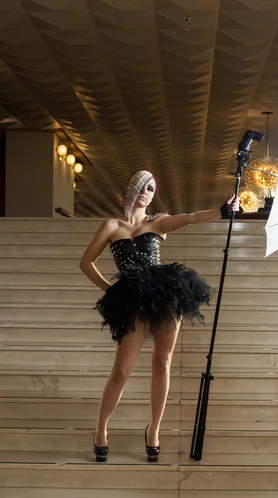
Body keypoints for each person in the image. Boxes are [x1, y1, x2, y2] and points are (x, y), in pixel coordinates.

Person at [79, 170, 239, 463]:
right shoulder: (112, 225)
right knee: (122, 370)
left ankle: (153, 430)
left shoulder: (159, 222)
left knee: (162, 363)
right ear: (131, 188)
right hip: (131, 298)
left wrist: (222, 211)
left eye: (151, 188)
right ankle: (101, 429)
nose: (146, 192)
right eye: (142, 186)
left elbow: (191, 216)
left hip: (164, 295)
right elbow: (86, 262)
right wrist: (112, 290)